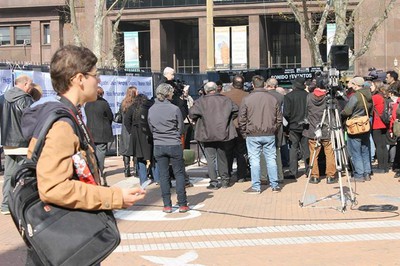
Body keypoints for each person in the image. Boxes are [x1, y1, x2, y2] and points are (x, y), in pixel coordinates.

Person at [20, 45, 146, 263]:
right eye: (95, 76)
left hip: (67, 239)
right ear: (79, 78)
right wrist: (114, 197)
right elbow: (54, 187)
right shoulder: (61, 124)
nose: (98, 82)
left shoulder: (66, 114)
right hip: (66, 242)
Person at [148, 83, 189, 213]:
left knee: (164, 175)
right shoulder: (174, 109)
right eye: (171, 93)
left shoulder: (151, 109)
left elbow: (150, 127)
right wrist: (176, 135)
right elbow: (181, 128)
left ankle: (167, 205)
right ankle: (182, 203)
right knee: (179, 173)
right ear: (167, 94)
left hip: (159, 144)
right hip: (174, 143)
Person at [190, 81, 238, 189]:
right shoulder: (225, 100)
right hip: (222, 132)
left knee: (210, 158)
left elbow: (192, 113)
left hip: (207, 132)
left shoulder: (201, 102)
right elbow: (236, 110)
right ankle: (225, 180)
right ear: (216, 89)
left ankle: (214, 182)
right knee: (222, 157)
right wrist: (227, 120)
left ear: (206, 91)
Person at [239, 75, 282, 194]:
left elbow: (242, 118)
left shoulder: (247, 99)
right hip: (269, 133)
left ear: (252, 85)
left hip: (253, 133)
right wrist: (274, 129)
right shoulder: (272, 99)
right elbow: (279, 118)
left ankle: (256, 186)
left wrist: (244, 132)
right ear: (264, 85)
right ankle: (275, 185)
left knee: (254, 161)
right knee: (271, 159)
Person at [1, 75, 34, 215]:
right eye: (31, 85)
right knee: (28, 173)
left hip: (8, 142)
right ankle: (26, 203)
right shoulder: (26, 100)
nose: (31, 88)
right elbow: (31, 121)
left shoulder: (3, 98)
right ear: (25, 84)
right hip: (23, 142)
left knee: (9, 174)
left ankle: (5, 205)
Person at [302, 80, 337, 184]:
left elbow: (306, 112)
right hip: (327, 129)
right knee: (329, 153)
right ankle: (330, 175)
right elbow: (336, 112)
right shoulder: (329, 97)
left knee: (313, 153)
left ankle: (314, 176)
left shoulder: (309, 97)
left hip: (313, 129)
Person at [341, 76, 373, 182]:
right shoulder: (368, 95)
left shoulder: (356, 96)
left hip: (355, 126)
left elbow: (347, 111)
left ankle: (359, 174)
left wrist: (342, 113)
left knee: (355, 151)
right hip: (365, 125)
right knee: (365, 150)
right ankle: (367, 173)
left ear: (356, 85)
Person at [124, 94, 159, 185]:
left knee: (140, 157)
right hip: (148, 132)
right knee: (153, 155)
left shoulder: (132, 107)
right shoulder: (149, 107)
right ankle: (157, 178)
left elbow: (126, 120)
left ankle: (143, 179)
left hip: (136, 133)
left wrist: (131, 131)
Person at [84, 86, 114, 185]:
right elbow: (110, 116)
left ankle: (95, 170)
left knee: (93, 153)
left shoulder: (87, 103)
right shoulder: (103, 103)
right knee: (101, 153)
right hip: (102, 132)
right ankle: (99, 171)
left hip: (90, 132)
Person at [222, 75, 249, 183]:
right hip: (242, 127)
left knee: (227, 152)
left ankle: (227, 174)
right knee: (241, 152)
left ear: (232, 84)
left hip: (229, 127)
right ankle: (241, 175)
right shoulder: (247, 95)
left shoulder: (224, 95)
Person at [283, 76, 309, 179]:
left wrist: (286, 128)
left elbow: (286, 114)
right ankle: (309, 171)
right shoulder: (308, 96)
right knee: (306, 149)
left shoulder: (289, 96)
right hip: (306, 126)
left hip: (293, 126)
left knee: (293, 149)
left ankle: (293, 172)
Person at [265, 77, 285, 183]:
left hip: (266, 126)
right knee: (277, 151)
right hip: (278, 126)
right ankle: (279, 175)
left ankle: (265, 176)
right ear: (276, 86)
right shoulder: (281, 97)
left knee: (265, 152)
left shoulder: (264, 96)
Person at [118, 86, 138, 177]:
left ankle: (127, 170)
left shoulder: (123, 103)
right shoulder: (136, 104)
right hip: (133, 129)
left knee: (126, 150)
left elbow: (120, 116)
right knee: (135, 150)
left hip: (125, 130)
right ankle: (136, 169)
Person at [370, 80, 389, 173]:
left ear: (376, 86)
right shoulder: (383, 96)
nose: (370, 87)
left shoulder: (375, 97)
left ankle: (381, 166)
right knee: (383, 145)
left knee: (378, 145)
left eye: (372, 85)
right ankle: (385, 165)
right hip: (384, 123)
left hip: (376, 123)